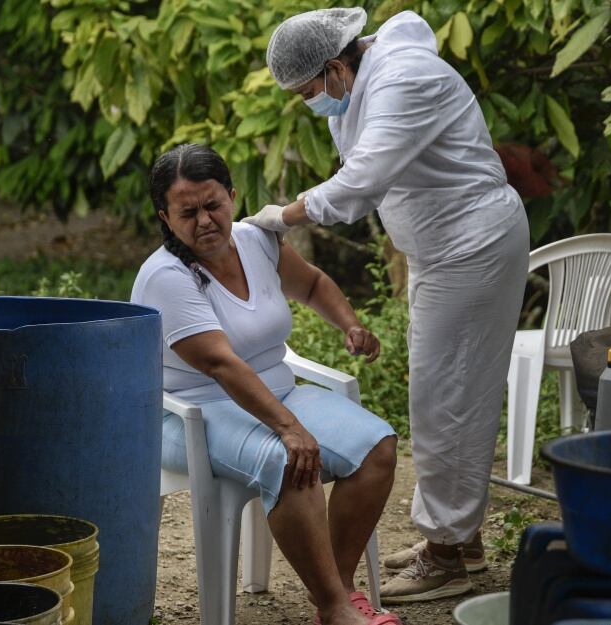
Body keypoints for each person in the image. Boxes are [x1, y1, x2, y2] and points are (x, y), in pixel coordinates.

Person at [247, 8, 530, 604]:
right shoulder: (360, 82)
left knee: (448, 398)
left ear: (334, 66)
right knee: (447, 394)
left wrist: (281, 216)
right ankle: (460, 539)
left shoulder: (403, 79)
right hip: (443, 250)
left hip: (471, 248)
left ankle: (446, 556)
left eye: (307, 91)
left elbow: (360, 183)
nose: (309, 103)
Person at [131, 143, 400, 625]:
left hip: (278, 392)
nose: (205, 220)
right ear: (165, 217)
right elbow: (221, 365)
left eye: (213, 205)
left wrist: (350, 323)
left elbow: (312, 284)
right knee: (287, 461)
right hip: (192, 412)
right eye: (187, 213)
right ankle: (336, 608)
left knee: (377, 447)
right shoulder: (165, 277)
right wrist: (289, 428)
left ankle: (336, 590)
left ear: (233, 197)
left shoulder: (256, 241)